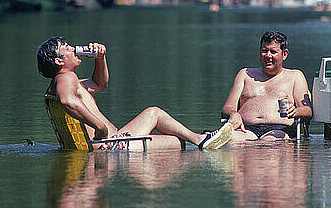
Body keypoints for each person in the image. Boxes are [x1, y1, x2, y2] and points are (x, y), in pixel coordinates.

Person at [37, 36, 232, 150]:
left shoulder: (65, 81)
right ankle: (200, 140)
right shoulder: (66, 78)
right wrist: (101, 128)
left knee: (153, 112)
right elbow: (67, 101)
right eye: (67, 49)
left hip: (115, 141)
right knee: (178, 143)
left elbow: (99, 83)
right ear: (59, 61)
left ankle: (200, 139)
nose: (74, 49)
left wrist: (100, 58)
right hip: (113, 148)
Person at [221, 31, 312, 143]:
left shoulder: (295, 76)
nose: (268, 55)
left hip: (279, 130)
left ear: (284, 54)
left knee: (270, 144)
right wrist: (234, 114)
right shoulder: (244, 74)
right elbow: (227, 108)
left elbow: (308, 111)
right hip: (245, 129)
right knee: (233, 141)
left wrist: (296, 111)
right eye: (264, 51)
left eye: (273, 52)